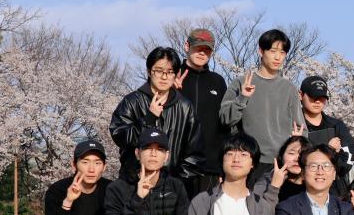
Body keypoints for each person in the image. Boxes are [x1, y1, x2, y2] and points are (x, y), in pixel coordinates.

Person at [110, 46, 205, 189]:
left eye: (170, 72)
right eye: (159, 71)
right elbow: (120, 137)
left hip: (171, 189)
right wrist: (148, 119)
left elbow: (195, 154)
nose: (164, 77)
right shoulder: (132, 101)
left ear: (176, 74)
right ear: (149, 71)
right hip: (133, 185)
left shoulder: (185, 107)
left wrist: (177, 185)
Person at [219, 29, 302, 180]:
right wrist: (243, 97)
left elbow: (301, 128)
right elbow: (225, 119)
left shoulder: (289, 88)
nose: (278, 57)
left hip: (281, 164)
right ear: (261, 51)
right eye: (273, 51)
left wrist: (297, 143)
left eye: (282, 52)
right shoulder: (241, 82)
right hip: (250, 162)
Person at [175, 28, 228, 191]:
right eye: (198, 47)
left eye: (207, 49)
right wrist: (171, 92)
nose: (202, 52)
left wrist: (222, 167)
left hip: (209, 168)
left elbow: (224, 126)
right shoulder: (171, 76)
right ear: (187, 46)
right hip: (175, 165)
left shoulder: (218, 82)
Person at [299, 75, 354, 196]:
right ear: (301, 95)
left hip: (335, 192)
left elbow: (345, 164)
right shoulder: (293, 125)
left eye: (322, 98)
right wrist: (330, 150)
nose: (318, 101)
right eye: (313, 96)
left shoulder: (336, 126)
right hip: (300, 190)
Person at [253, 135, 313, 203]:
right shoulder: (267, 180)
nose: (296, 159)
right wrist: (274, 186)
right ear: (282, 156)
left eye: (302, 154)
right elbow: (257, 207)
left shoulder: (316, 182)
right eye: (291, 153)